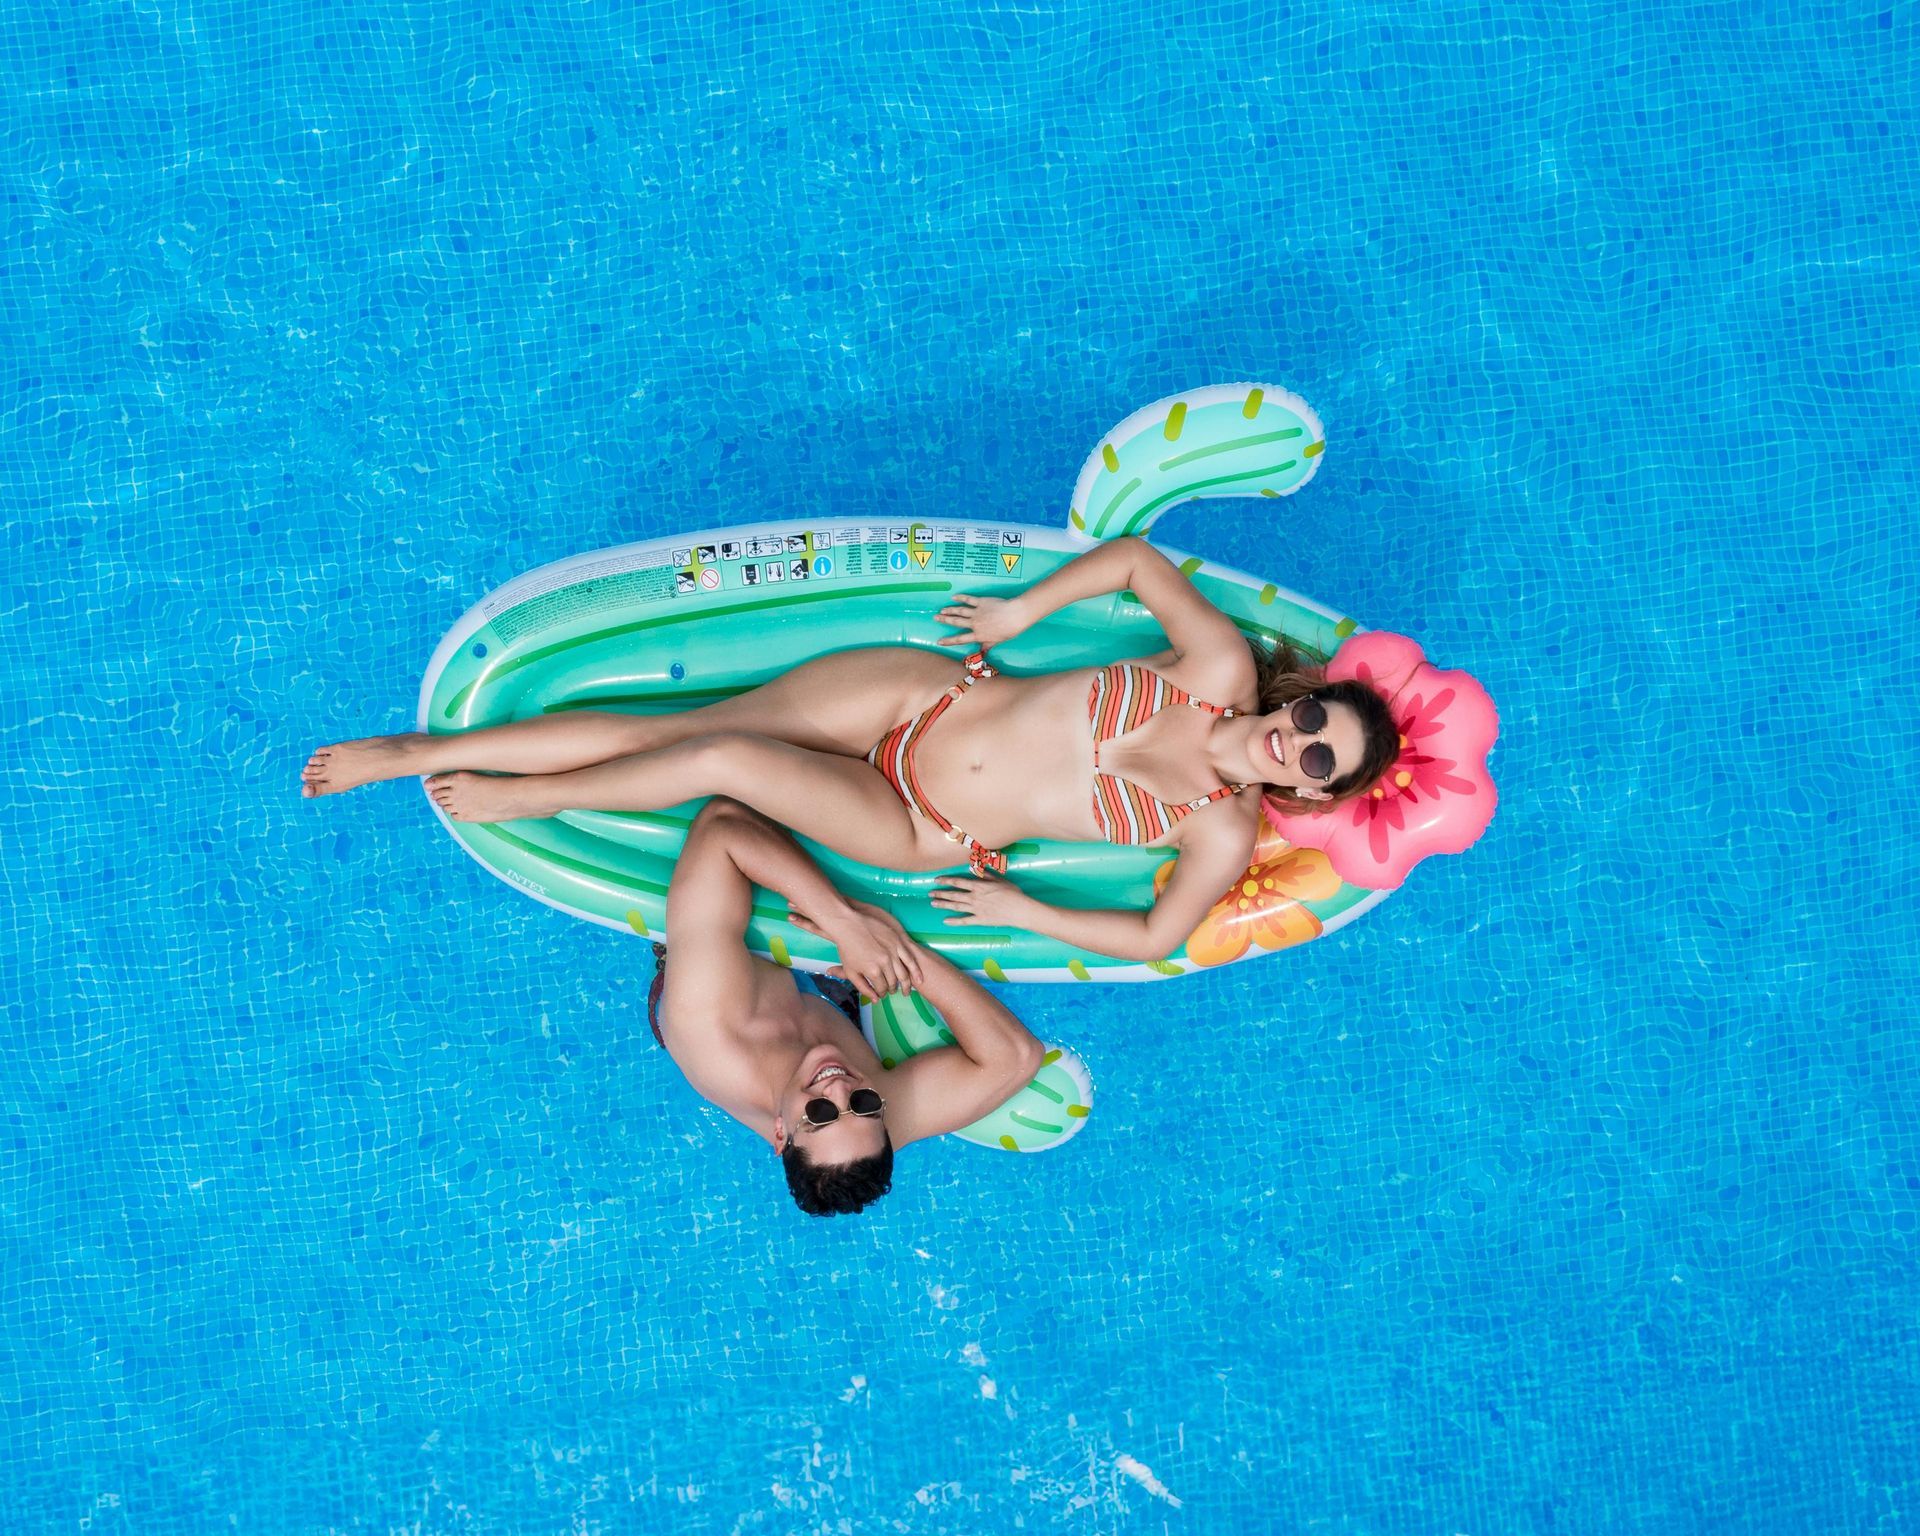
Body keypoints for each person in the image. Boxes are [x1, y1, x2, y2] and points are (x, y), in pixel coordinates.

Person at [303, 537, 1399, 961]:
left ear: (1306, 794)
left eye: (1316, 760)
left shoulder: (1221, 827)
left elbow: (1158, 934)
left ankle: (533, 799)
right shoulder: (1216, 677)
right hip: (926, 700)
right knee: (691, 730)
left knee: (722, 762)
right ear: (1302, 697)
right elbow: (1135, 564)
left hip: (928, 828)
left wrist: (1026, 912)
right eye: (1314, 717)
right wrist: (1021, 619)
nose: (1295, 738)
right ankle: (416, 748)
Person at [643, 797, 1044, 1217]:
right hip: (828, 1001)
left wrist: (846, 924)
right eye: (864, 1106)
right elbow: (1015, 1058)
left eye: (819, 1113)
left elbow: (720, 825)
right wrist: (897, 953)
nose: (840, 1090)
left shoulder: (708, 1017)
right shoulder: (870, 1119)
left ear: (780, 1132)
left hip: (735, 982)